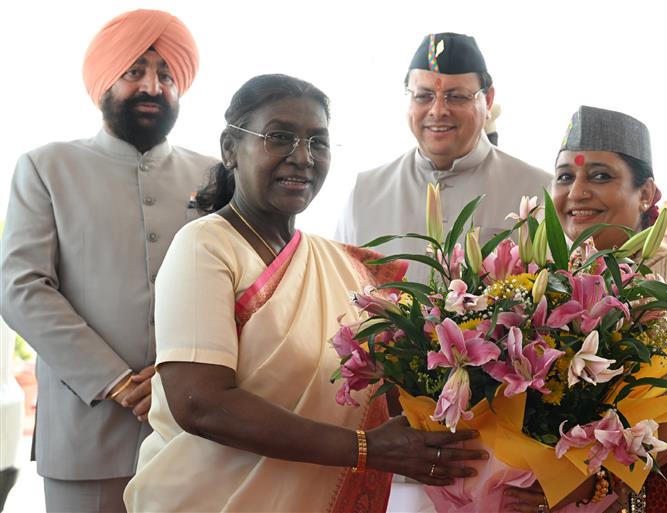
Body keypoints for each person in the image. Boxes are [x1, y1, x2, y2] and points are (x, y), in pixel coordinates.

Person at [122, 74, 488, 513]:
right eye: (279, 137)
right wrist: (366, 448)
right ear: (230, 149)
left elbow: (384, 390)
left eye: (318, 142)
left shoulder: (347, 268)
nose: (302, 157)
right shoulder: (205, 246)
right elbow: (200, 403)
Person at [0, 9, 215, 513]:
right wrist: (117, 381)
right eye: (135, 71)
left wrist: (178, 381)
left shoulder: (212, 175)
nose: (153, 86)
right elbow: (21, 287)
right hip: (85, 435)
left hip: (192, 432)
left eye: (167, 75)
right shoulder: (47, 167)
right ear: (105, 80)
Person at [505, 106, 667, 513]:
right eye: (565, 177)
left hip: (655, 490)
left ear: (646, 193)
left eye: (600, 176)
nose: (577, 192)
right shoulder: (551, 276)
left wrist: (595, 481)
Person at [335, 33, 552, 283]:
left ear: (488, 100)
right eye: (423, 96)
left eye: (456, 96)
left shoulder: (538, 191)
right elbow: (338, 288)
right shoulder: (365, 193)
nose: (438, 110)